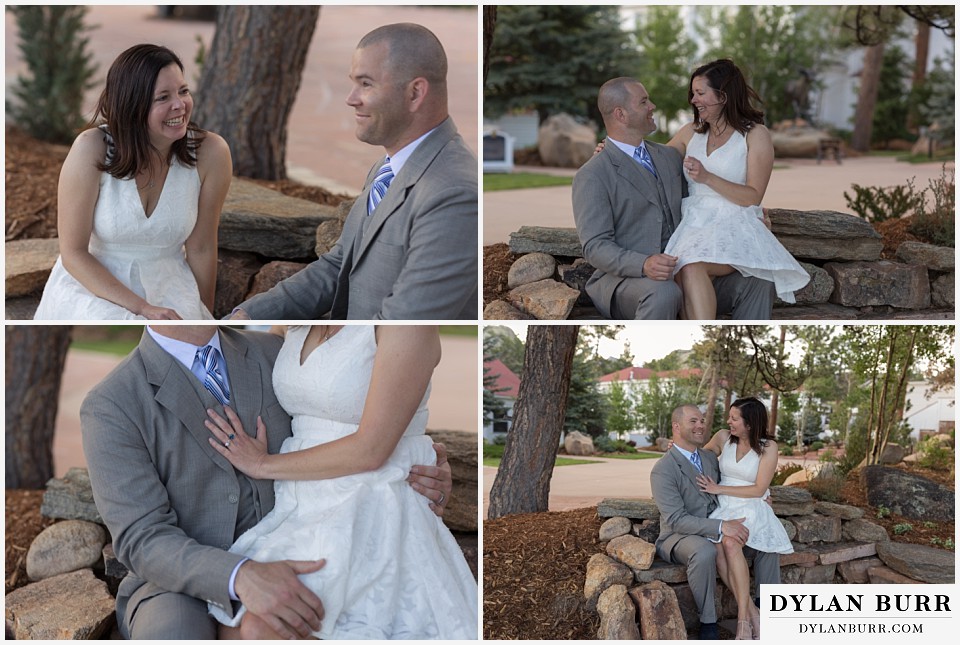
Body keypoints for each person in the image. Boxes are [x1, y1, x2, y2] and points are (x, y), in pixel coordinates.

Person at [81, 325, 453, 639]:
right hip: (178, 580)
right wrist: (239, 575)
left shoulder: (279, 353)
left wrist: (417, 458)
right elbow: (142, 539)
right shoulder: (111, 403)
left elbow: (350, 413)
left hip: (306, 541)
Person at [203, 325, 477, 639]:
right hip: (297, 503)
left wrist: (263, 464)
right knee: (236, 622)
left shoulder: (405, 322)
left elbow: (372, 450)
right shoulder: (295, 318)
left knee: (265, 627)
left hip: (372, 500)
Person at [231, 23, 477, 320]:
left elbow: (405, 322)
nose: (351, 98)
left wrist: (320, 352)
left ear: (415, 93)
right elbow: (338, 266)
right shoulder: (387, 168)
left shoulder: (454, 192)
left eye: (366, 83)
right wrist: (247, 315)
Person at [34, 44, 231, 320]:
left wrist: (204, 317)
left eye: (183, 91)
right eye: (163, 97)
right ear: (132, 104)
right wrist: (142, 308)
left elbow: (201, 247)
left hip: (170, 286)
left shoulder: (212, 152)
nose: (180, 105)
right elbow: (73, 252)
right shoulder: (91, 148)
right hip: (94, 287)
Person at [573, 76, 775, 321]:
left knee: (759, 281)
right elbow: (595, 247)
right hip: (627, 281)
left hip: (684, 271)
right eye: (644, 101)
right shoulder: (593, 174)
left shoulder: (668, 157)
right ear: (621, 114)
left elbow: (708, 196)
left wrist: (750, 221)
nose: (652, 106)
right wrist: (644, 264)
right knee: (664, 292)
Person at [663, 60, 809, 319]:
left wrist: (707, 177)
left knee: (692, 267)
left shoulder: (755, 135)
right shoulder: (690, 133)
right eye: (692, 93)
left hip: (734, 224)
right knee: (682, 271)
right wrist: (613, 150)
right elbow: (654, 159)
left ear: (723, 96)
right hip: (694, 225)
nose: (694, 100)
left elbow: (753, 195)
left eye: (700, 93)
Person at [650, 404, 781, 640]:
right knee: (706, 550)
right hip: (679, 534)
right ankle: (709, 622)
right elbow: (677, 520)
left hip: (715, 521)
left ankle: (768, 610)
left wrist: (763, 495)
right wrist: (722, 526)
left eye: (702, 421)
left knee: (765, 539)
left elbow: (739, 478)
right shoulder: (663, 469)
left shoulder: (709, 458)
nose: (701, 425)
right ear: (676, 427)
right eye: (693, 421)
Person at [696, 397, 793, 639]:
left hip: (751, 506)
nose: (728, 421)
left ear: (749, 423)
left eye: (734, 418)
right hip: (725, 506)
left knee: (729, 542)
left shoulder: (769, 447)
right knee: (717, 547)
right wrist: (676, 446)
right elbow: (697, 457)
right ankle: (752, 613)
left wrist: (719, 489)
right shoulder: (722, 437)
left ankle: (742, 622)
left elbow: (759, 489)